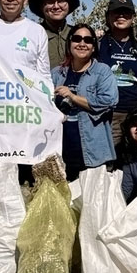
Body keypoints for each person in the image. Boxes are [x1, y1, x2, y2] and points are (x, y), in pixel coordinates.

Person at [51, 24, 118, 180]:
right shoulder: (56, 73)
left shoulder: (102, 71)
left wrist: (73, 97)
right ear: (69, 44)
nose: (82, 44)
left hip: (92, 150)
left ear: (93, 47)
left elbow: (109, 100)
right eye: (76, 39)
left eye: (88, 40)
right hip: (62, 148)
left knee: (92, 201)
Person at [96, 0, 137, 145]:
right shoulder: (98, 45)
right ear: (108, 17)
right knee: (111, 162)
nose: (121, 16)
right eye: (116, 12)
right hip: (110, 114)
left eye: (126, 13)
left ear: (133, 17)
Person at [28, 0, 80, 69]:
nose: (56, 6)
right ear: (41, 6)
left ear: (68, 5)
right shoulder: (32, 35)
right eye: (50, 2)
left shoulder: (79, 35)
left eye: (61, 1)